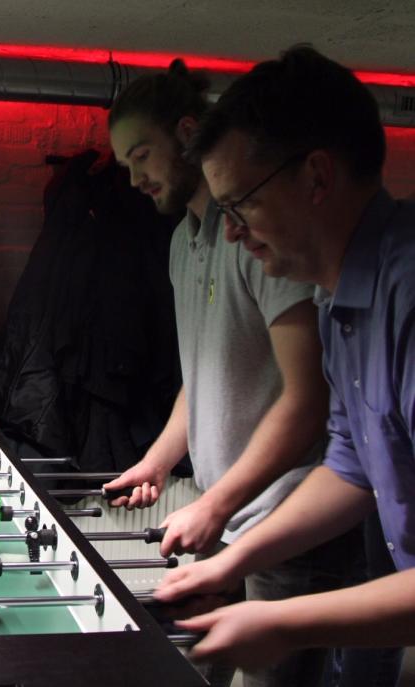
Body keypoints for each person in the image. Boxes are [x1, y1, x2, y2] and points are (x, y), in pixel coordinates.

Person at [153, 45, 414, 678]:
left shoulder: (409, 294)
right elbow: (351, 470)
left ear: (317, 177)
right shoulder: (336, 298)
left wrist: (282, 620)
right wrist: (228, 563)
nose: (233, 233)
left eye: (240, 205)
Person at [103, 61, 358, 686]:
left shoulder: (262, 240)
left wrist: (215, 504)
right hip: (230, 518)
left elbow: (308, 402)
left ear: (188, 132)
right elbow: (207, 367)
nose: (134, 178)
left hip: (288, 524)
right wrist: (160, 460)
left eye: (142, 155)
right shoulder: (181, 241)